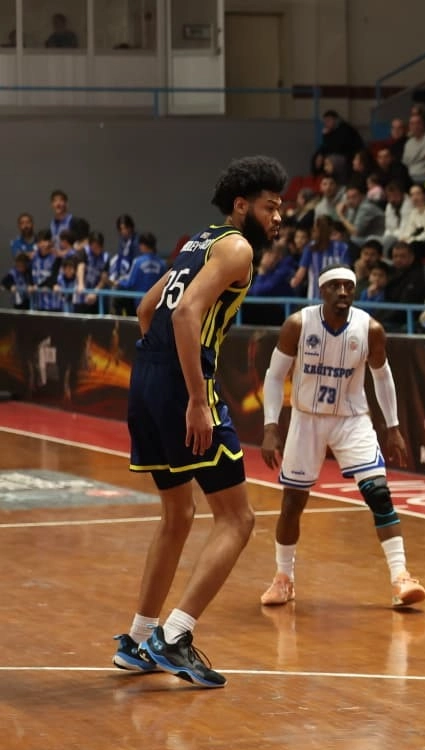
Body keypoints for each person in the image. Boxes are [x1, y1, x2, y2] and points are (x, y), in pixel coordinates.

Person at [111, 155, 288, 687]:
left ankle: (139, 638)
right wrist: (194, 397)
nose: (279, 217)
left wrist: (159, 369)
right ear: (242, 206)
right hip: (183, 385)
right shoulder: (237, 248)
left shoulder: (198, 242)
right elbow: (187, 313)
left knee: (178, 514)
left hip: (146, 378)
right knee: (238, 519)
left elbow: (147, 309)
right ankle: (175, 636)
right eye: (270, 207)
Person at [257, 265, 425, 609]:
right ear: (322, 291)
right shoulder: (298, 324)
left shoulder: (370, 329)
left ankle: (401, 577)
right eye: (335, 286)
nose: (343, 292)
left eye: (348, 286)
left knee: (379, 493)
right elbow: (274, 376)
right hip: (307, 417)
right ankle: (283, 578)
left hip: (351, 418)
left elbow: (382, 377)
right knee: (292, 503)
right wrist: (271, 426)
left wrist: (393, 427)